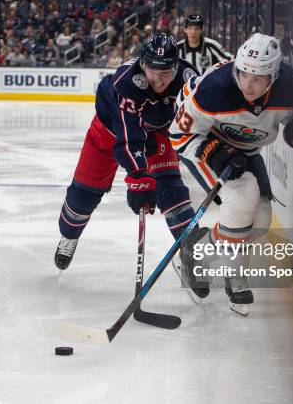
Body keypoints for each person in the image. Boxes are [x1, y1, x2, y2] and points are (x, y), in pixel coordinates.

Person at [169, 33, 293, 315]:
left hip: (247, 152)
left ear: (273, 76)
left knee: (260, 223)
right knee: (243, 194)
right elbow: (178, 135)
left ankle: (194, 250)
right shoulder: (213, 89)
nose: (248, 84)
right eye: (243, 74)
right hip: (204, 145)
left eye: (258, 78)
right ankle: (235, 276)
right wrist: (213, 151)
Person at [55, 33, 200, 270]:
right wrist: (139, 177)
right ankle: (69, 235)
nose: (159, 80)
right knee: (85, 193)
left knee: (171, 187)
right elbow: (128, 137)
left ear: (175, 67)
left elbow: (196, 120)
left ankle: (190, 248)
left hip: (155, 134)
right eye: (153, 71)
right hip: (108, 132)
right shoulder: (127, 82)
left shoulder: (188, 78)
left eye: (165, 73)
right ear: (143, 64)